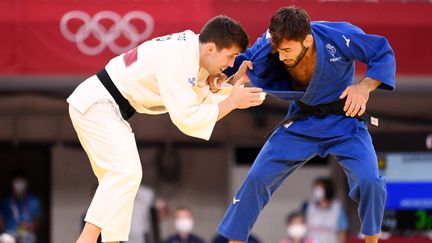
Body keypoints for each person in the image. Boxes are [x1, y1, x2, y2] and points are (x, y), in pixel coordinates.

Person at [67, 15, 264, 243]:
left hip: (107, 107)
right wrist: (231, 101)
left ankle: (110, 240)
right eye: (230, 57)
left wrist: (231, 86)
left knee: (122, 185)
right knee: (125, 173)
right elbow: (187, 118)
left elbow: (201, 96)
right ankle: (87, 240)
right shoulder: (179, 58)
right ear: (211, 48)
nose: (231, 64)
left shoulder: (191, 54)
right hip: (98, 104)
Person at [216, 6, 395, 243]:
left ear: (307, 40)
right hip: (302, 121)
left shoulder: (338, 36)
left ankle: (372, 241)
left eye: (288, 50)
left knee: (370, 180)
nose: (282, 57)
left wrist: (365, 86)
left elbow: (381, 52)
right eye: (278, 51)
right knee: (257, 178)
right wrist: (227, 74)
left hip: (343, 119)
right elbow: (240, 61)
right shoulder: (270, 42)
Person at [0, 170, 41, 243]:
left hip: (27, 233)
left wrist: (32, 227)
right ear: (12, 182)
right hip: (10, 232)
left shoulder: (33, 201)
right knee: (5, 239)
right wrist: (6, 231)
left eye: (21, 181)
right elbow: (1, 220)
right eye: (16, 181)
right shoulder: (5, 200)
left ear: (26, 182)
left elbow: (37, 219)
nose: (19, 184)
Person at [303, 178, 348, 243]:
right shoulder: (307, 206)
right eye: (315, 188)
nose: (316, 190)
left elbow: (343, 230)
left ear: (327, 189)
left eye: (319, 188)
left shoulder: (338, 208)